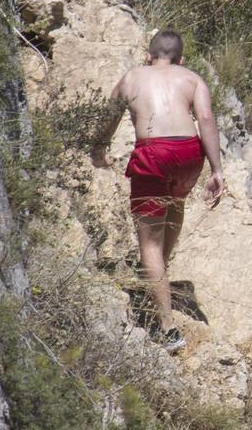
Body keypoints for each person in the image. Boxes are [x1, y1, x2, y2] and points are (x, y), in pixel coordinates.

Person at [90, 30, 224, 352]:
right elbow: (205, 119)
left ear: (149, 56)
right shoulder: (192, 79)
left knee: (148, 242)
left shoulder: (132, 77)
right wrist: (217, 170)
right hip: (190, 153)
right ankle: (157, 271)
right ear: (180, 59)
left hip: (154, 153)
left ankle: (167, 329)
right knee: (175, 201)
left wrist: (98, 149)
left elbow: (108, 117)